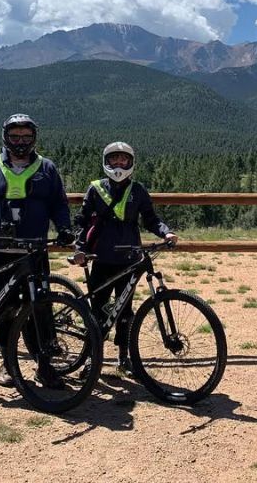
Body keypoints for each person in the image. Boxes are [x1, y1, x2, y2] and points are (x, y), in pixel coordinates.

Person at [0, 113, 73, 387]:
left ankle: (44, 365)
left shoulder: (47, 168)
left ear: (34, 138)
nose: (20, 142)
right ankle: (8, 364)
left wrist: (65, 229)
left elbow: (59, 203)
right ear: (5, 137)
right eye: (15, 136)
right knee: (5, 311)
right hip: (1, 252)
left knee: (40, 309)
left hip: (34, 251)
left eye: (26, 136)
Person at [74, 141, 177, 373]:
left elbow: (151, 218)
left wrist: (166, 232)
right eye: (114, 158)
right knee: (96, 309)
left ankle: (123, 357)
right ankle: (92, 356)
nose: (119, 163)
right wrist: (79, 247)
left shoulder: (138, 190)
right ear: (106, 161)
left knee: (125, 311)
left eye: (124, 159)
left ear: (131, 162)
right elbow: (81, 220)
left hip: (129, 259)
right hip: (100, 257)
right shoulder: (95, 189)